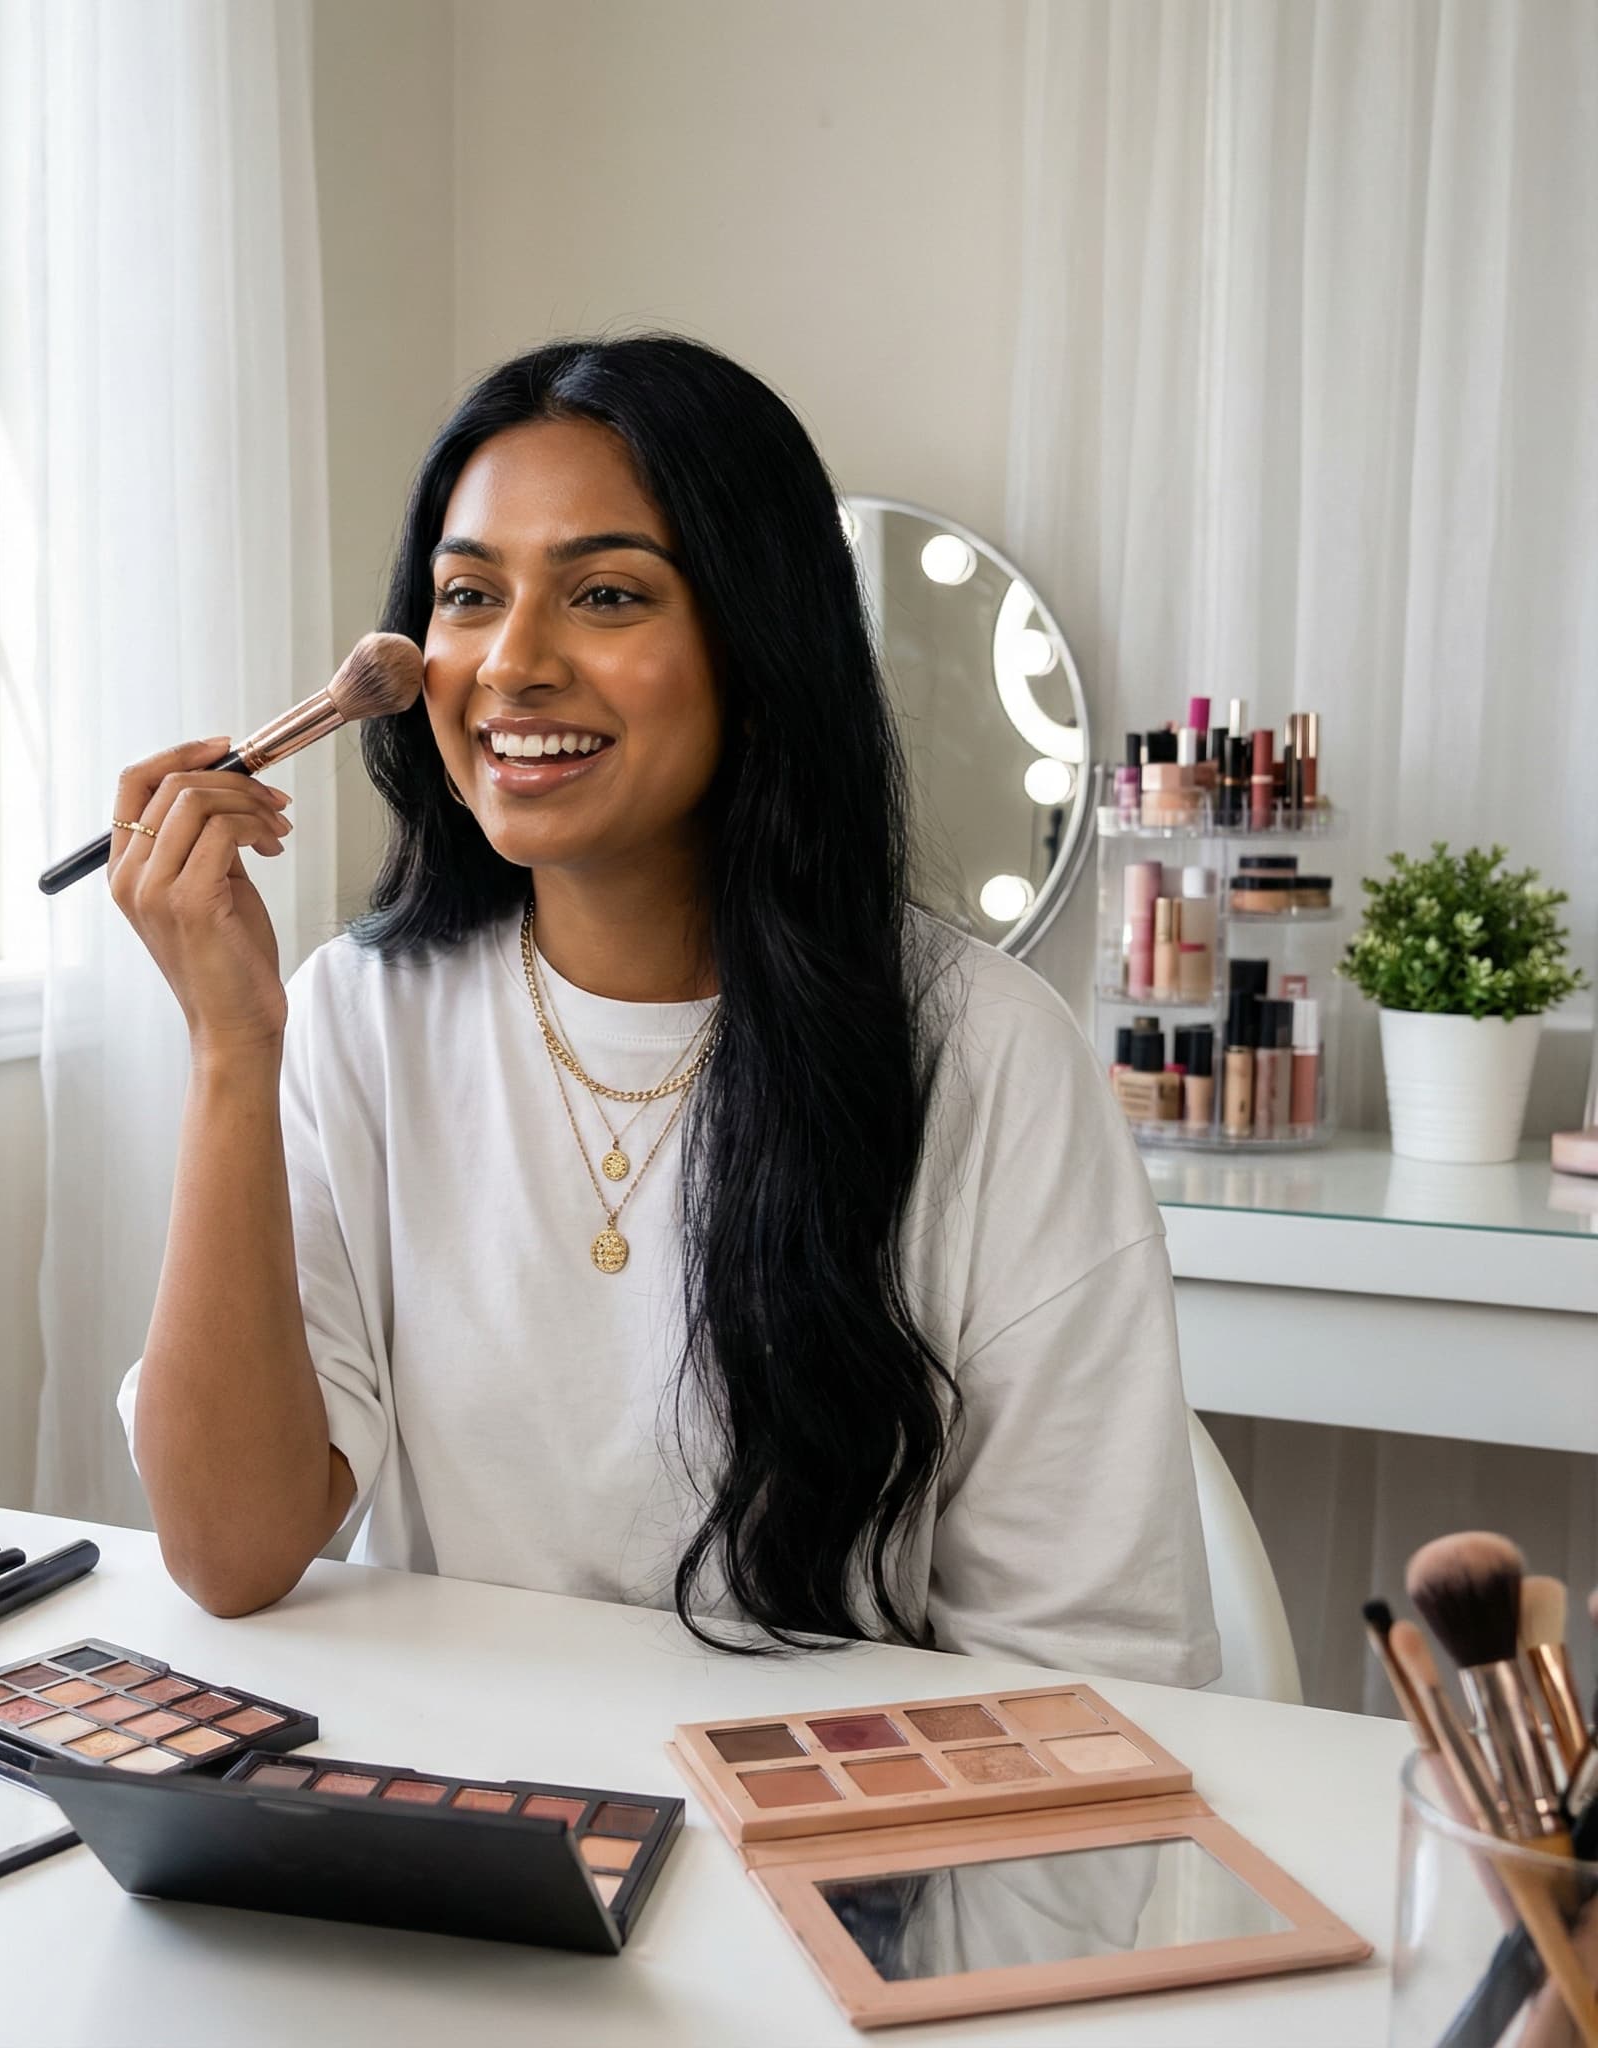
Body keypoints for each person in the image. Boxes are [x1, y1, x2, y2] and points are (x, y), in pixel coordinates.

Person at [112, 332, 1219, 1684]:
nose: (512, 663)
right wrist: (231, 1049)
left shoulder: (988, 1055)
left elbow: (1091, 1660)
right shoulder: (356, 1017)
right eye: (468, 596)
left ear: (758, 650)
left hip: (825, 1803)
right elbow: (228, 1552)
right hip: (461, 1796)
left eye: (607, 594)